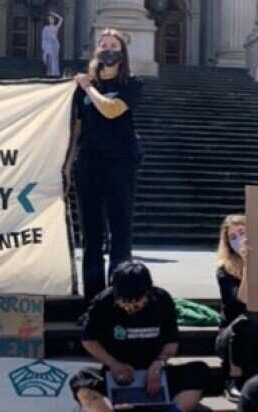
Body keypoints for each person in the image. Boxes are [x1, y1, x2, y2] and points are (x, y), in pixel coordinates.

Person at [69, 261, 208, 412]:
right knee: (80, 383)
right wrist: (114, 364)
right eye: (124, 302)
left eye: (137, 301)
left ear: (148, 292)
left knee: (200, 373)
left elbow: (171, 342)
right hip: (118, 373)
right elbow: (89, 340)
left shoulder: (162, 300)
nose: (131, 307)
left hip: (154, 372)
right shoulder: (103, 302)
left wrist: (158, 365)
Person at [71, 29, 143, 299]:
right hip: (89, 164)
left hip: (121, 165)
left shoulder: (132, 85)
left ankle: (120, 298)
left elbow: (112, 110)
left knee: (120, 234)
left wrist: (88, 87)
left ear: (122, 54)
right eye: (103, 45)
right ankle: (93, 300)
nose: (108, 49)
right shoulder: (85, 89)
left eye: (113, 45)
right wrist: (68, 166)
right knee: (91, 237)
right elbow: (77, 128)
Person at [213, 214, 258, 401]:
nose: (239, 240)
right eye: (233, 237)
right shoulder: (224, 270)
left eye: (242, 233)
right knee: (248, 318)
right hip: (231, 336)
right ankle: (233, 379)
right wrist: (248, 266)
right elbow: (243, 300)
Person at [42, 12, 63, 78]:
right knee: (49, 59)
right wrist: (44, 46)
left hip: (55, 44)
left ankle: (55, 73)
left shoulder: (55, 27)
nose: (51, 20)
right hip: (48, 45)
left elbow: (61, 19)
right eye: (50, 19)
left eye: (52, 19)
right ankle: (49, 73)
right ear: (48, 20)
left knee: (55, 59)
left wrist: (54, 14)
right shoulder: (46, 28)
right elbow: (44, 37)